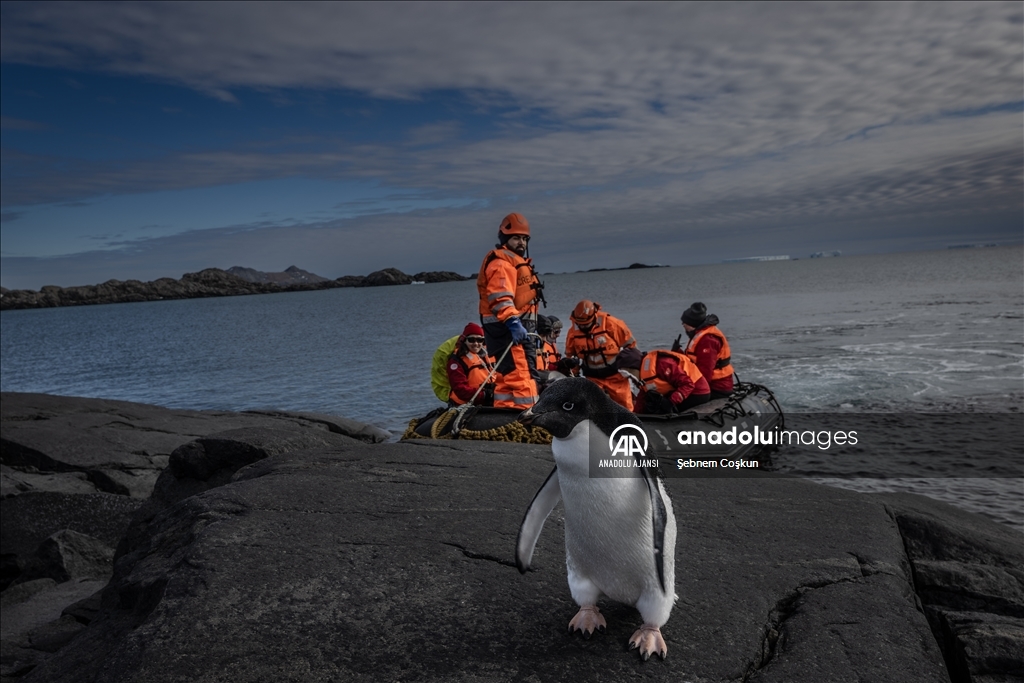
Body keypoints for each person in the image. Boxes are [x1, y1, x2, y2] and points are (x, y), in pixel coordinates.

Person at [476, 212, 543, 408]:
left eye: (524, 238)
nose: (521, 242)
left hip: (506, 331)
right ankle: (530, 425)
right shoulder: (502, 264)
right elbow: (500, 299)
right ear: (505, 239)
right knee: (523, 379)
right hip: (510, 332)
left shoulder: (510, 262)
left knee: (505, 380)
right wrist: (514, 323)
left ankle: (503, 418)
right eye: (516, 238)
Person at [563, 300, 638, 411]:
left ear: (593, 316)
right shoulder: (573, 333)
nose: (583, 327)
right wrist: (572, 375)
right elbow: (571, 356)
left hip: (615, 375)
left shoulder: (610, 323)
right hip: (592, 377)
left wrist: (631, 368)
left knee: (625, 407)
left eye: (586, 324)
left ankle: (628, 427)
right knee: (593, 408)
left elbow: (631, 346)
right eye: (580, 325)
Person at [675, 302, 735, 398]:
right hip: (709, 384)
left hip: (717, 386)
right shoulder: (700, 334)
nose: (683, 325)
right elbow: (692, 360)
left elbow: (705, 371)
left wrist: (688, 390)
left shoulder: (707, 340)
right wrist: (678, 353)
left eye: (685, 323)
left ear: (692, 324)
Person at [634, 349, 711, 414]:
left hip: (697, 392)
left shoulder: (662, 364)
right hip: (679, 390)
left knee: (662, 411)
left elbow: (688, 385)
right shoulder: (644, 374)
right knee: (651, 406)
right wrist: (636, 414)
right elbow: (643, 395)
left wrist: (671, 402)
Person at [446, 323, 495, 406]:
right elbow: (460, 389)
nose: (476, 343)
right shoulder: (457, 361)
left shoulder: (490, 355)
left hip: (488, 399)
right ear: (464, 340)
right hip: (466, 403)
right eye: (471, 340)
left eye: (480, 340)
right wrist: (485, 395)